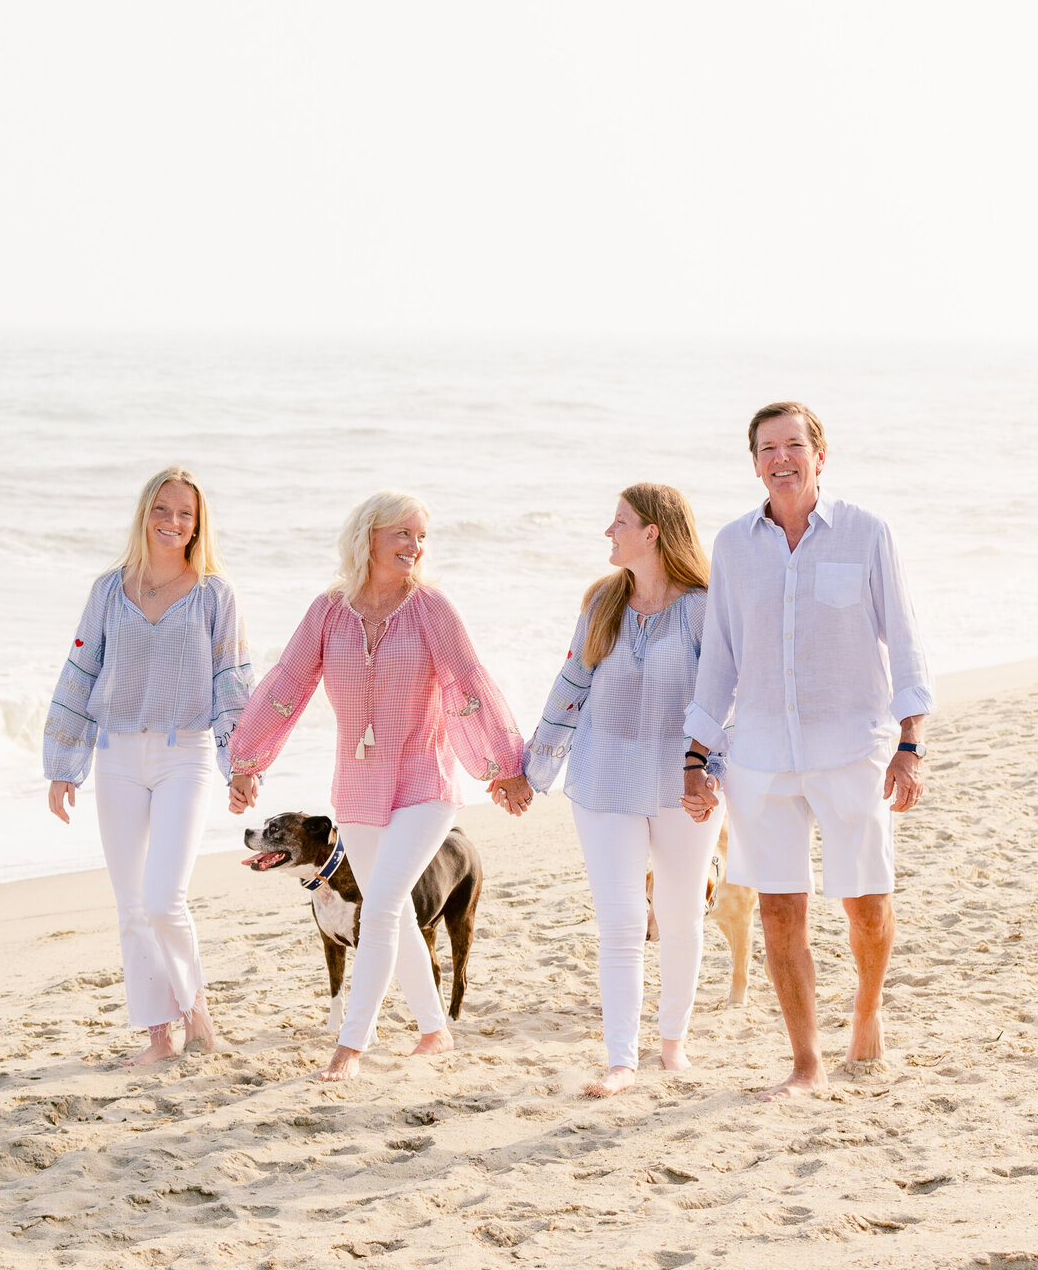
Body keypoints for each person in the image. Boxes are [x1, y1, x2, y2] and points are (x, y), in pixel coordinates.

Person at [228, 491, 524, 1083]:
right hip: (358, 786)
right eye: (403, 534)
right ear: (368, 537)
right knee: (398, 916)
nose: (415, 546)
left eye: (421, 537)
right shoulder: (328, 611)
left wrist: (501, 765)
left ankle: (351, 1045)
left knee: (382, 906)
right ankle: (435, 1031)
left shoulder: (432, 609)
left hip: (424, 782)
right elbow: (288, 684)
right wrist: (247, 760)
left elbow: (468, 683)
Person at [683, 402, 932, 1100]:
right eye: (768, 448)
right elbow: (719, 661)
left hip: (854, 749)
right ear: (755, 461)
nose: (782, 458)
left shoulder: (867, 533)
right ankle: (806, 1061)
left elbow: (906, 642)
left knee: (866, 905)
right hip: (760, 755)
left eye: (795, 445)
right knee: (777, 910)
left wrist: (911, 743)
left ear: (821, 456)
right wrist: (696, 756)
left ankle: (867, 1008)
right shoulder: (733, 545)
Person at [491, 485, 723, 1098]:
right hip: (603, 778)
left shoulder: (703, 607)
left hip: (682, 783)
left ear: (652, 532)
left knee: (679, 912)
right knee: (621, 920)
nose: (608, 532)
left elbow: (726, 694)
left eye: (619, 522)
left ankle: (673, 1043)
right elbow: (570, 685)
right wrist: (530, 772)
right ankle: (622, 1059)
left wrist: (714, 773)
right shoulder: (603, 601)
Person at [44, 467, 253, 1066]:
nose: (173, 521)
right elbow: (79, 674)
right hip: (115, 756)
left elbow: (232, 684)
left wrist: (240, 764)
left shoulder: (216, 593)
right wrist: (64, 763)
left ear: (198, 523)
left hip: (183, 754)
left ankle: (200, 1018)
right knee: (132, 905)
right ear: (145, 512)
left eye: (185, 513)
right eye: (163, 509)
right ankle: (158, 1036)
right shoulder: (109, 590)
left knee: (164, 899)